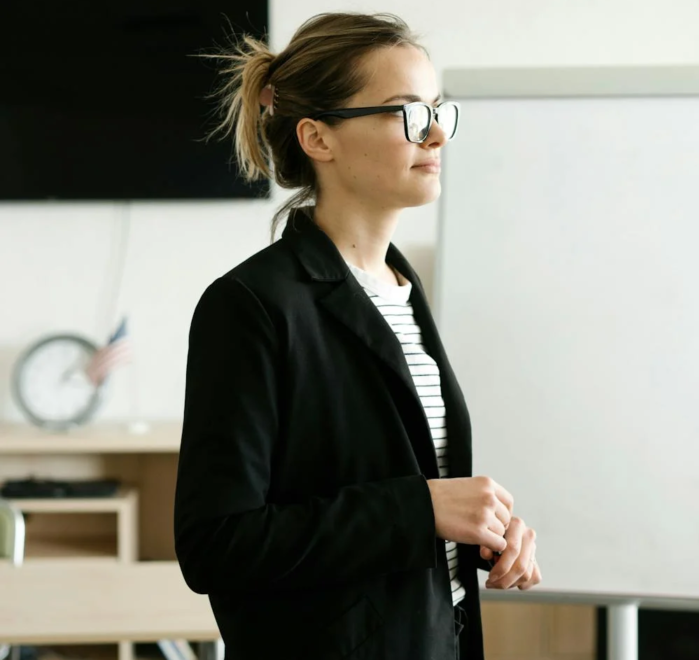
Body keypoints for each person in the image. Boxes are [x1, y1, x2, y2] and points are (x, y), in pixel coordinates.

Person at [174, 11, 541, 660]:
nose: (434, 134)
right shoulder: (251, 305)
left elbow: (390, 486)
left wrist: (484, 533)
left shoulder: (403, 291)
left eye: (437, 109)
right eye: (406, 112)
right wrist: (421, 511)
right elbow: (217, 545)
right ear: (318, 138)